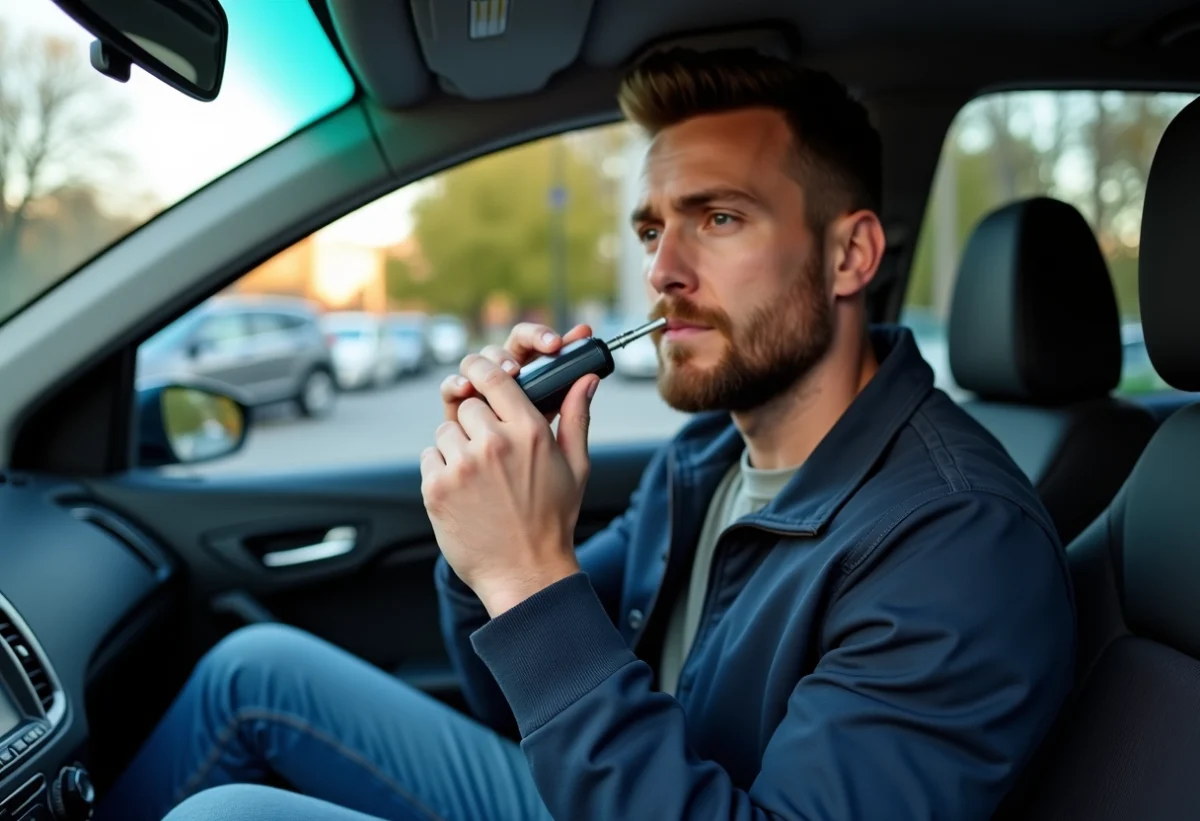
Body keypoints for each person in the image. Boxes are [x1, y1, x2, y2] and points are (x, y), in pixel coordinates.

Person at [95, 47, 1075, 821]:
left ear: (849, 253)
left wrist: (530, 574)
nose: (664, 271)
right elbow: (521, 694)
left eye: (719, 218)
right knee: (255, 668)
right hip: (620, 790)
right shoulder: (709, 458)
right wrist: (488, 536)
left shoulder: (957, 542)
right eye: (653, 231)